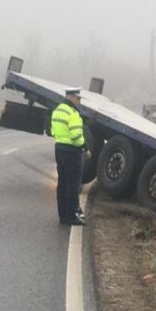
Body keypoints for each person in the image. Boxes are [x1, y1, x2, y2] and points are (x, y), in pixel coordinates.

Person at [52, 87, 87, 226]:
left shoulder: (57, 110)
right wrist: (84, 147)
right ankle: (72, 216)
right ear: (72, 97)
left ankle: (63, 215)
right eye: (78, 98)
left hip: (59, 149)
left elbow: (53, 130)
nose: (79, 102)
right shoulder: (73, 113)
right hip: (72, 151)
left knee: (62, 184)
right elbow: (77, 135)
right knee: (73, 185)